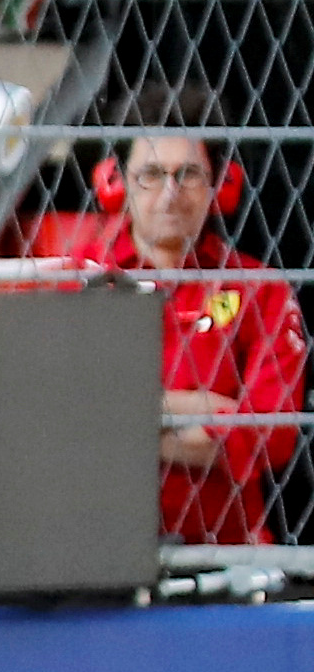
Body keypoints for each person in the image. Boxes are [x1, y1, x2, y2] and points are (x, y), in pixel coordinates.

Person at [23, 123, 302, 552]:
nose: (170, 194)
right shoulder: (73, 283)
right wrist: (202, 408)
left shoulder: (261, 289)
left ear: (219, 186)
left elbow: (272, 435)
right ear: (115, 183)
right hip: (89, 547)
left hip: (224, 550)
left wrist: (125, 417)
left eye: (188, 174)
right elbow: (50, 418)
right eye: (151, 174)